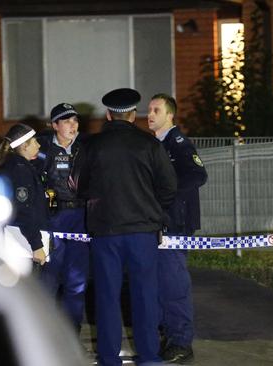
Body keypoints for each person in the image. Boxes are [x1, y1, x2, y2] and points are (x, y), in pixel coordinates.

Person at [80, 88, 177, 366]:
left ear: (109, 115)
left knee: (107, 296)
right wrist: (153, 210)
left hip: (105, 231)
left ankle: (109, 358)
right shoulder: (150, 145)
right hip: (142, 232)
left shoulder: (92, 146)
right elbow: (169, 187)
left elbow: (79, 186)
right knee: (145, 295)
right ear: (134, 115)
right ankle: (149, 357)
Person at [147, 94, 207, 364]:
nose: (149, 114)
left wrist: (166, 195)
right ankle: (167, 337)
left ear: (169, 115)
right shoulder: (154, 144)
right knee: (159, 283)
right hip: (159, 223)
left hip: (175, 225)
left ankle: (181, 342)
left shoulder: (177, 143)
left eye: (156, 110)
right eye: (148, 109)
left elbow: (197, 175)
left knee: (174, 285)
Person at [35, 103, 89, 333]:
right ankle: (42, 330)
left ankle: (71, 331)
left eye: (75, 121)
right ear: (54, 125)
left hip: (81, 216)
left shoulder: (86, 147)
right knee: (49, 276)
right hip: (53, 218)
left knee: (76, 279)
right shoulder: (42, 149)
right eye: (66, 121)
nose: (73, 126)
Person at [0, 123, 48, 267]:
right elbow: (24, 209)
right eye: (34, 141)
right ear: (24, 146)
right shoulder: (20, 170)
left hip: (19, 239)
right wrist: (37, 246)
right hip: (22, 243)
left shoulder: (17, 165)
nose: (38, 145)